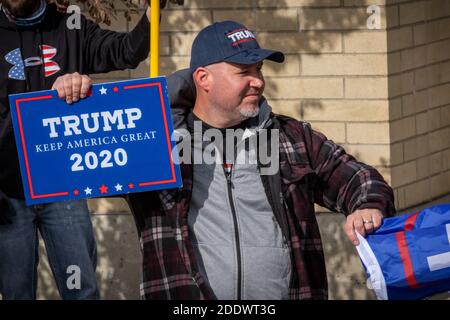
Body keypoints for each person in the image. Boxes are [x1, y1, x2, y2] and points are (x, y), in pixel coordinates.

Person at [126, 20, 397, 300]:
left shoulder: (291, 138)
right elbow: (85, 156)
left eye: (259, 70)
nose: (258, 81)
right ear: (204, 78)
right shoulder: (154, 143)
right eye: (244, 71)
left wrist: (368, 206)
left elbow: (359, 178)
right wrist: (78, 97)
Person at [0, 0, 153, 299]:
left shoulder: (70, 24)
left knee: (81, 290)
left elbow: (127, 51)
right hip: (7, 191)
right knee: (15, 293)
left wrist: (151, 14)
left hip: (62, 187)